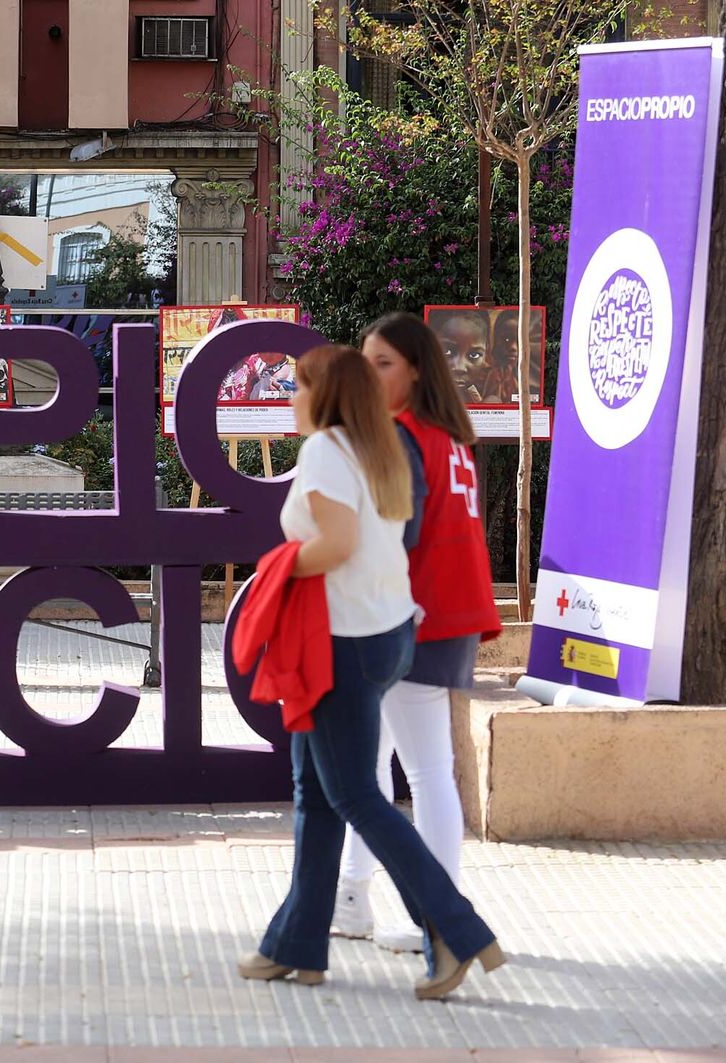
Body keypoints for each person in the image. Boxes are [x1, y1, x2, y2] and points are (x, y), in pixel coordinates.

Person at [237, 343, 505, 1001]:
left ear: (323, 394)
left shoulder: (326, 450)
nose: (289, 401)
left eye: (297, 388)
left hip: (342, 640)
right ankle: (296, 943)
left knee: (353, 792)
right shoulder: (379, 444)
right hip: (385, 631)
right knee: (316, 787)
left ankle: (454, 928)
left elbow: (338, 545)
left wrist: (277, 567)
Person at [330, 312, 504, 955]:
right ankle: (352, 895)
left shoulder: (400, 437)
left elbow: (394, 533)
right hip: (445, 611)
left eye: (383, 365)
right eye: (364, 361)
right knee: (379, 763)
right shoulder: (451, 437)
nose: (368, 375)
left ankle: (437, 914)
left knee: (423, 770)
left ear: (415, 371)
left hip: (409, 616)